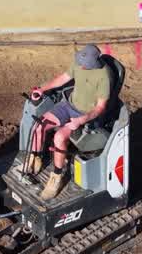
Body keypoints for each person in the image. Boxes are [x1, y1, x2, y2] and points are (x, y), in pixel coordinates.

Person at [26, 44, 112, 200]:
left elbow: (100, 108)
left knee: (59, 137)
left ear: (93, 64)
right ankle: (35, 159)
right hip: (68, 105)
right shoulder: (79, 62)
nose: (80, 66)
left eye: (84, 65)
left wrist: (80, 120)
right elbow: (63, 78)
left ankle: (56, 177)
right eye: (80, 62)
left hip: (86, 115)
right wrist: (42, 89)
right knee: (39, 126)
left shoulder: (104, 76)